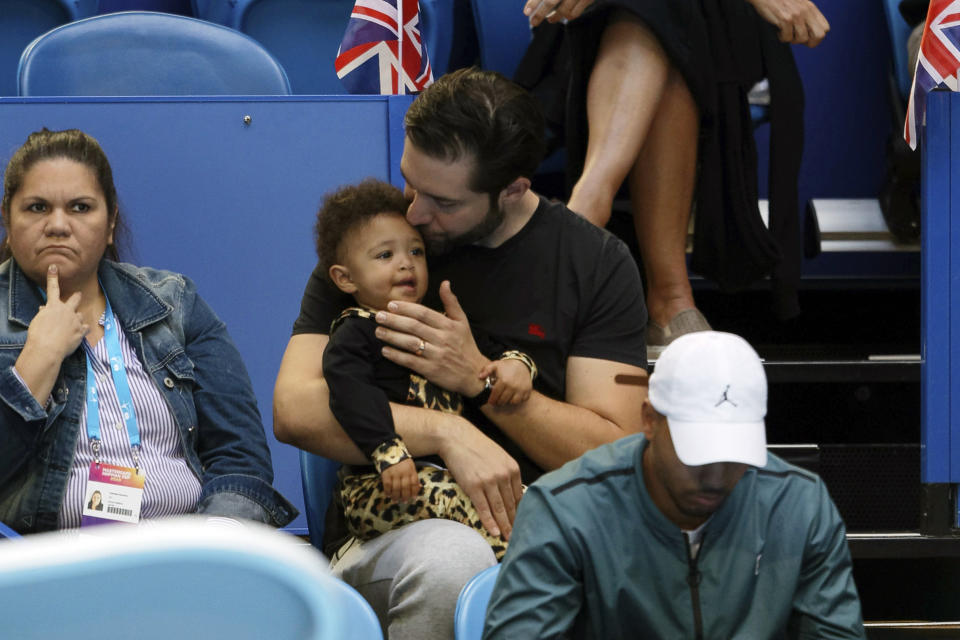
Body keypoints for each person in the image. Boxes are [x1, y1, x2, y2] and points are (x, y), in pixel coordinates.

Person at [273, 68, 648, 638]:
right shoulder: (378, 246)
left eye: (443, 201)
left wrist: (479, 381)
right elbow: (295, 410)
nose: (416, 214)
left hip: (545, 526)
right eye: (410, 183)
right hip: (394, 535)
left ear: (513, 190)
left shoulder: (593, 263)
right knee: (453, 560)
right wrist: (449, 432)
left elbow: (616, 453)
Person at [0, 128, 296, 533]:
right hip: (52, 564)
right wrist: (38, 360)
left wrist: (217, 543)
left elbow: (241, 456)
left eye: (80, 207)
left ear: (110, 223)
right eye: (36, 207)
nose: (57, 225)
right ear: (7, 219)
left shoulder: (174, 302)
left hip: (188, 551)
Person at [483, 331, 865, 639]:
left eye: (734, 455)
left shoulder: (799, 505)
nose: (715, 477)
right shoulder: (564, 510)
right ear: (649, 420)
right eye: (697, 453)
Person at [519, 0, 830, 339]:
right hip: (593, 31)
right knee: (667, 22)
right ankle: (670, 299)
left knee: (672, 16)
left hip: (716, 34)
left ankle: (584, 214)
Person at [316, 179, 536, 559]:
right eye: (385, 255)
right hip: (380, 484)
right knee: (483, 512)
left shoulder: (436, 322)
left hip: (443, 476)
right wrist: (388, 451)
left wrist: (517, 366)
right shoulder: (355, 331)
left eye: (416, 252)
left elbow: (488, 355)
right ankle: (512, 584)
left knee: (531, 505)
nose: (406, 263)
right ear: (344, 278)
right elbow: (350, 394)